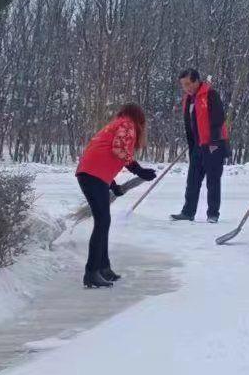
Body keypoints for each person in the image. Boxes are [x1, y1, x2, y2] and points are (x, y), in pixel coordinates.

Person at [75, 104, 158, 287]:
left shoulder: (115, 124)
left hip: (91, 174)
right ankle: (92, 272)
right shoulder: (128, 124)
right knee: (102, 222)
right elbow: (118, 149)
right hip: (93, 176)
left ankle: (103, 268)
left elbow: (101, 154)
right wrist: (139, 170)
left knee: (103, 221)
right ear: (139, 119)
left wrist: (113, 185)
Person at [171, 68, 228, 224]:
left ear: (197, 81)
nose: (186, 87)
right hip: (197, 145)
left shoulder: (210, 94)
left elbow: (218, 119)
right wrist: (193, 140)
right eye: (183, 85)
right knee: (193, 180)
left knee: (213, 180)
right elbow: (191, 122)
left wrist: (213, 142)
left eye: (188, 84)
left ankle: (213, 214)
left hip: (213, 145)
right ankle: (188, 212)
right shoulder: (188, 99)